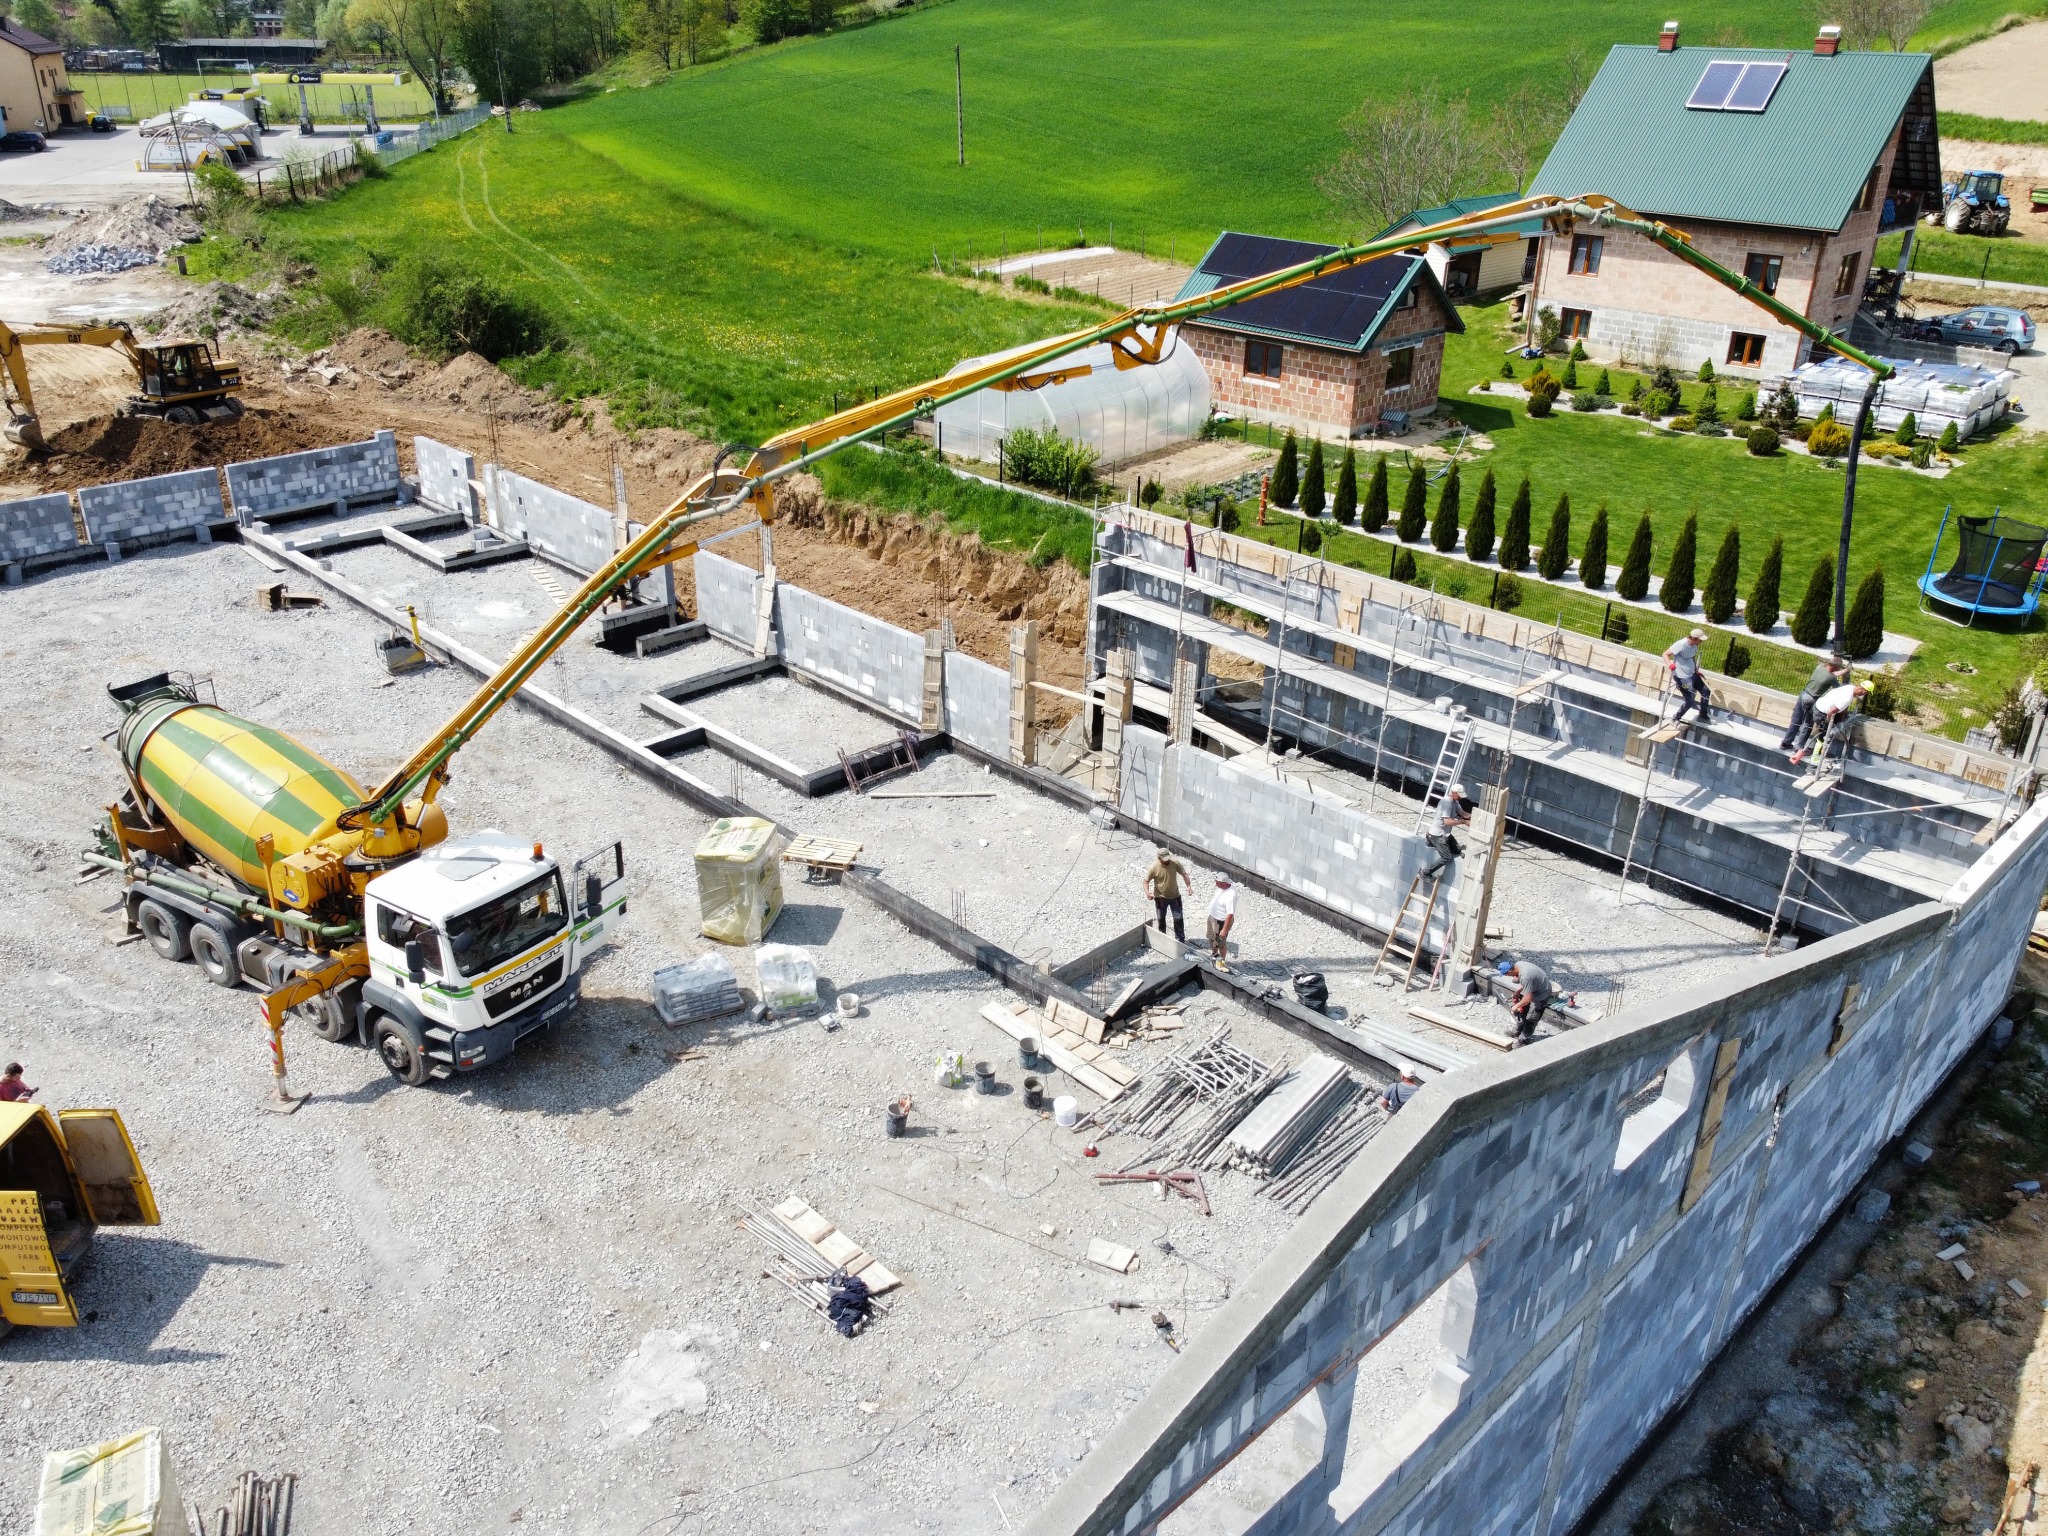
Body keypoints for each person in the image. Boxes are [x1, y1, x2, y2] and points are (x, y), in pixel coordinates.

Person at [1792, 678, 1871, 766]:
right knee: (1824, 736)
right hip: (1822, 713)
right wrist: (1830, 725)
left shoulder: (1850, 688)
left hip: (1821, 705)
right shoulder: (1847, 697)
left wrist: (1840, 720)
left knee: (1826, 733)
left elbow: (1843, 708)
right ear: (1863, 690)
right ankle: (1814, 760)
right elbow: (1831, 712)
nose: (1864, 695)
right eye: (1866, 693)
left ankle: (1818, 753)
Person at [1781, 656, 1849, 752]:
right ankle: (1798, 748)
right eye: (1838, 668)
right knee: (1807, 724)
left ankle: (1785, 743)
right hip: (1811, 699)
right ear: (1836, 668)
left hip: (1803, 695)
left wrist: (1845, 670)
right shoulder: (1831, 678)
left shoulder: (1819, 668)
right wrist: (1847, 673)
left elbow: (1832, 673)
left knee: (1795, 721)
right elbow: (1839, 689)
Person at [1419, 783, 1474, 881]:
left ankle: (1450, 848)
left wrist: (1474, 816)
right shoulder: (1446, 803)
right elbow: (1447, 822)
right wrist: (1464, 822)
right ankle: (1425, 872)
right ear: (1454, 793)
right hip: (1437, 835)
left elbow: (1463, 813)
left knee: (1457, 850)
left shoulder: (1455, 802)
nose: (1461, 798)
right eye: (1459, 795)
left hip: (1445, 834)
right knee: (1447, 857)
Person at [1664, 628, 1713, 725]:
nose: (1702, 642)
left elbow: (1692, 656)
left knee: (1706, 690)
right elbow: (1665, 654)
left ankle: (1702, 716)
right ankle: (1675, 719)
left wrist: (1696, 670)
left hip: (1692, 675)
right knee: (1689, 700)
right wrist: (1670, 664)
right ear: (1694, 638)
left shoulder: (1695, 645)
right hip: (1682, 679)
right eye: (1700, 640)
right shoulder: (1680, 645)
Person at [1142, 846, 1188, 944]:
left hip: (1175, 896)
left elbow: (1184, 874)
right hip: (1160, 898)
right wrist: (1147, 892)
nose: (1167, 861)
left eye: (1168, 859)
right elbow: (1146, 881)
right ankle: (1162, 938)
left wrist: (1188, 886)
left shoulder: (1175, 863)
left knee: (1178, 918)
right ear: (1159, 858)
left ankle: (1180, 940)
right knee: (1161, 918)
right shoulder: (1153, 867)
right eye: (1164, 860)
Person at [1507, 961, 1552, 1046]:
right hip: (1534, 988)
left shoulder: (1526, 976)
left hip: (1542, 994)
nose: (1507, 976)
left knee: (1532, 1018)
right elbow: (1527, 982)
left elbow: (1528, 998)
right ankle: (1517, 1031)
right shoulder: (1518, 965)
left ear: (1510, 971)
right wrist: (1519, 991)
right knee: (1523, 1012)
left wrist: (1516, 1006)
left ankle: (1524, 1039)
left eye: (1507, 975)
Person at [1207, 876, 1236, 970]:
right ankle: (1214, 955)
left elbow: (1230, 914)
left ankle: (1221, 962)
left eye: (1217, 882)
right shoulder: (1222, 887)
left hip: (1220, 923)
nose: (1216, 884)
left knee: (1220, 943)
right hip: (1212, 918)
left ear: (1224, 883)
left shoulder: (1231, 895)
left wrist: (1224, 929)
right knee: (1212, 939)